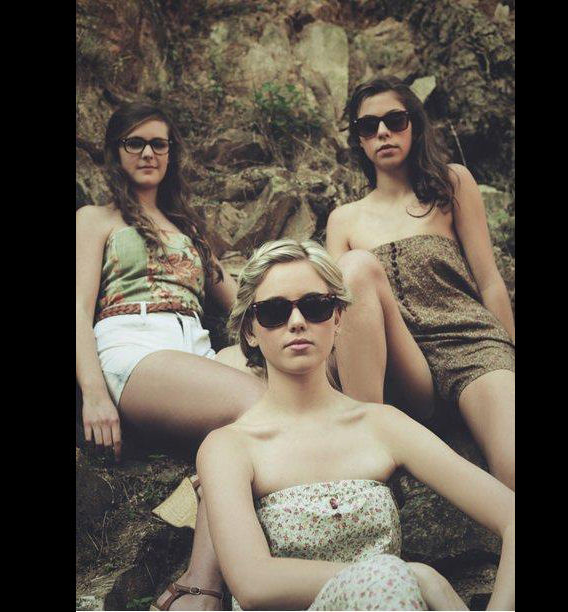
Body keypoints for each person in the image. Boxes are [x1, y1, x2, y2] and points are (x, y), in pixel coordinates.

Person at [196, 239, 515, 611]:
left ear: (337, 318)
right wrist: (413, 575)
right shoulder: (229, 445)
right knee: (385, 578)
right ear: (251, 330)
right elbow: (253, 583)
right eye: (274, 311)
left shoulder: (381, 425)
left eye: (315, 306)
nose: (296, 322)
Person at [76, 102, 266, 610]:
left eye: (158, 143)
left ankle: (196, 582)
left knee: (273, 404)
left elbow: (242, 300)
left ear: (171, 152)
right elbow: (77, 309)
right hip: (133, 343)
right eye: (134, 142)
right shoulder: (95, 219)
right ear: (115, 152)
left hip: (195, 349)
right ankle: (203, 586)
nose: (148, 153)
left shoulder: (189, 227)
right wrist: (94, 394)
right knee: (259, 405)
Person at [325, 77, 515, 490]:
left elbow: (489, 281)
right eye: (368, 126)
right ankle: (363, 445)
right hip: (400, 361)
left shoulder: (451, 184)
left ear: (414, 124)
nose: (383, 132)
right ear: (359, 140)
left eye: (395, 120)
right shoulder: (344, 219)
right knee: (354, 269)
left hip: (471, 345)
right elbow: (337, 320)